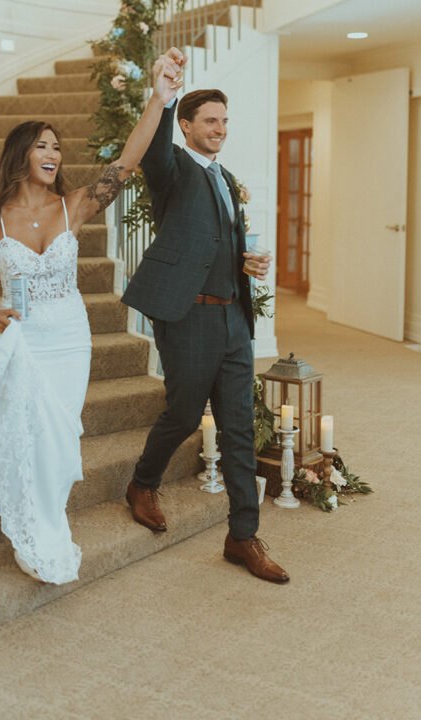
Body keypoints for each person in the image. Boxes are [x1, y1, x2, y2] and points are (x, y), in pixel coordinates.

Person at [0, 50, 182, 585]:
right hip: (23, 340)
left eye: (57, 146)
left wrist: (158, 99)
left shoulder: (74, 205)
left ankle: (47, 521)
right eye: (42, 146)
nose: (53, 153)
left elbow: (127, 162)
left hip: (70, 338)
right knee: (29, 434)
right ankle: (36, 520)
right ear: (20, 156)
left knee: (59, 435)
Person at [122, 55, 290, 583]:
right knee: (184, 413)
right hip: (187, 316)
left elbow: (217, 241)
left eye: (224, 121)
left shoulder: (228, 177)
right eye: (210, 121)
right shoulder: (170, 168)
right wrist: (164, 97)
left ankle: (243, 536)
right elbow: (150, 146)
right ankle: (142, 482)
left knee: (239, 427)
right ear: (189, 126)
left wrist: (248, 261)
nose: (219, 129)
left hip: (234, 320)